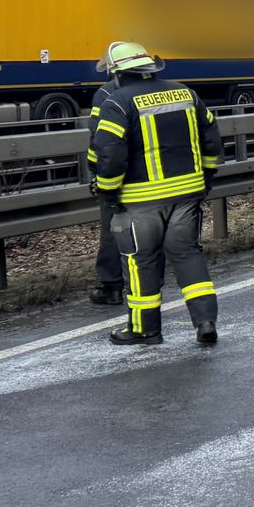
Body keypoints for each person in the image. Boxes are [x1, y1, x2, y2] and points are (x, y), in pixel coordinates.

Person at [86, 42, 222, 346]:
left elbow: (108, 153)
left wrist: (107, 192)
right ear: (150, 68)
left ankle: (145, 329)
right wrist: (206, 179)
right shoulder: (185, 93)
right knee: (187, 254)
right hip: (187, 194)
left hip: (139, 200)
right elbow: (211, 138)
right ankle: (205, 321)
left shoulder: (117, 102)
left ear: (117, 74)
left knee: (140, 261)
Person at [87, 73, 126, 306]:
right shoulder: (158, 91)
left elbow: (98, 140)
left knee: (114, 228)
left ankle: (111, 286)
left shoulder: (104, 94)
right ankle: (144, 283)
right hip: (153, 178)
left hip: (116, 175)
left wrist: (96, 176)